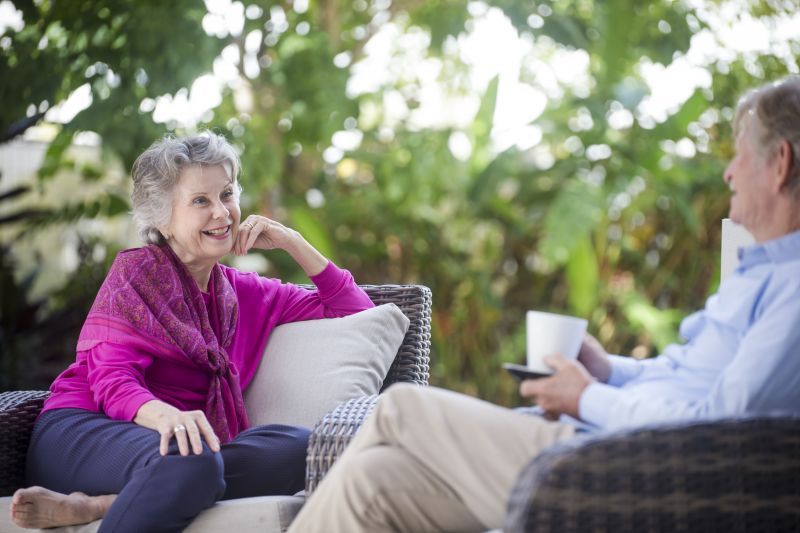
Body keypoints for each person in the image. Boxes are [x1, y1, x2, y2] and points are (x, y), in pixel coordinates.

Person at [287, 76, 800, 532]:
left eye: (741, 156)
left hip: (636, 475)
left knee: (400, 406)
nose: (729, 173)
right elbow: (686, 375)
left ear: (780, 165)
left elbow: (723, 421)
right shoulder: (763, 270)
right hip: (607, 449)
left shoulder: (794, 287)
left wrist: (586, 398)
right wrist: (608, 372)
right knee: (373, 481)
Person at [8, 132, 375, 532]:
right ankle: (149, 487)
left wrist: (293, 242)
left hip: (176, 451)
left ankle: (102, 506)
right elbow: (111, 381)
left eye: (227, 194)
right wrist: (167, 417)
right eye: (201, 200)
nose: (221, 213)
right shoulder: (136, 275)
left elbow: (355, 311)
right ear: (162, 218)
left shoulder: (244, 292)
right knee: (194, 459)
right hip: (84, 431)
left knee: (301, 448)